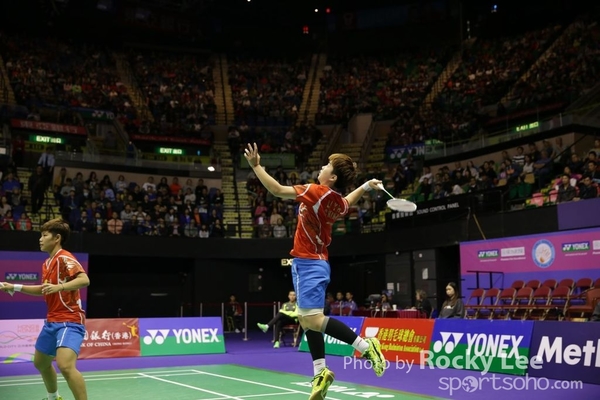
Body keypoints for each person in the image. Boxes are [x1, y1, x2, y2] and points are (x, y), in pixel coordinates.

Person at [243, 143, 386, 400]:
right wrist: (365, 186)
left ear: (332, 177)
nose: (321, 167)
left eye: (326, 166)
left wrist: (256, 166)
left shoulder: (316, 191)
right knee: (305, 318)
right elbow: (347, 202)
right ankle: (320, 372)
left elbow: (277, 190)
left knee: (313, 320)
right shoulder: (334, 200)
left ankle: (366, 346)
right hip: (309, 263)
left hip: (309, 264)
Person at [0, 218, 90, 400]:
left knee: (65, 365)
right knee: (40, 363)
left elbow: (84, 280)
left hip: (69, 320)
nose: (40, 239)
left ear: (57, 238)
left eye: (44, 235)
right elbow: (44, 289)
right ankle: (54, 397)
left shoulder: (64, 257)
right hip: (52, 320)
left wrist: (60, 287)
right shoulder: (47, 263)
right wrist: (14, 287)